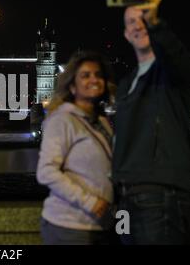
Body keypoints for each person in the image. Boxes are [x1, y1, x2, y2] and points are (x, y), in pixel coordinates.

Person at [112, 0, 190, 244]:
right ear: (126, 34)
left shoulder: (173, 74)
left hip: (161, 193)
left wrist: (156, 21)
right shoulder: (127, 83)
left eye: (143, 19)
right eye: (131, 22)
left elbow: (176, 57)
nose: (138, 26)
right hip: (127, 196)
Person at [37, 51, 115, 245]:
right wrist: (90, 202)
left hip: (103, 224)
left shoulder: (103, 122)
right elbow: (46, 172)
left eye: (98, 75)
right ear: (72, 86)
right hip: (70, 227)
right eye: (85, 75)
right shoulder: (61, 120)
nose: (94, 79)